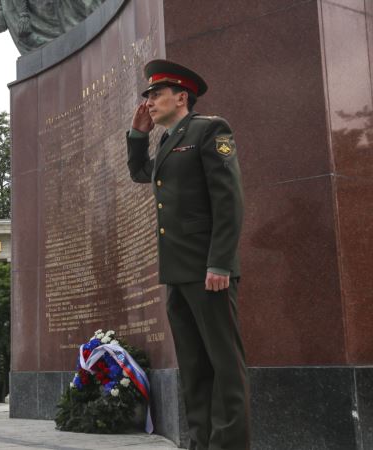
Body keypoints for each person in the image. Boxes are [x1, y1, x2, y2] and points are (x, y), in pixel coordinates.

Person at [126, 59, 249, 450]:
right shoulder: (166, 141)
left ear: (181, 97)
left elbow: (228, 201)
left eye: (156, 94)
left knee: (225, 366)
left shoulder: (209, 129)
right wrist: (136, 134)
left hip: (208, 269)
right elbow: (141, 173)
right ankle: (200, 442)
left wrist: (220, 262)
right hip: (177, 272)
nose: (149, 102)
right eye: (147, 95)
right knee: (194, 368)